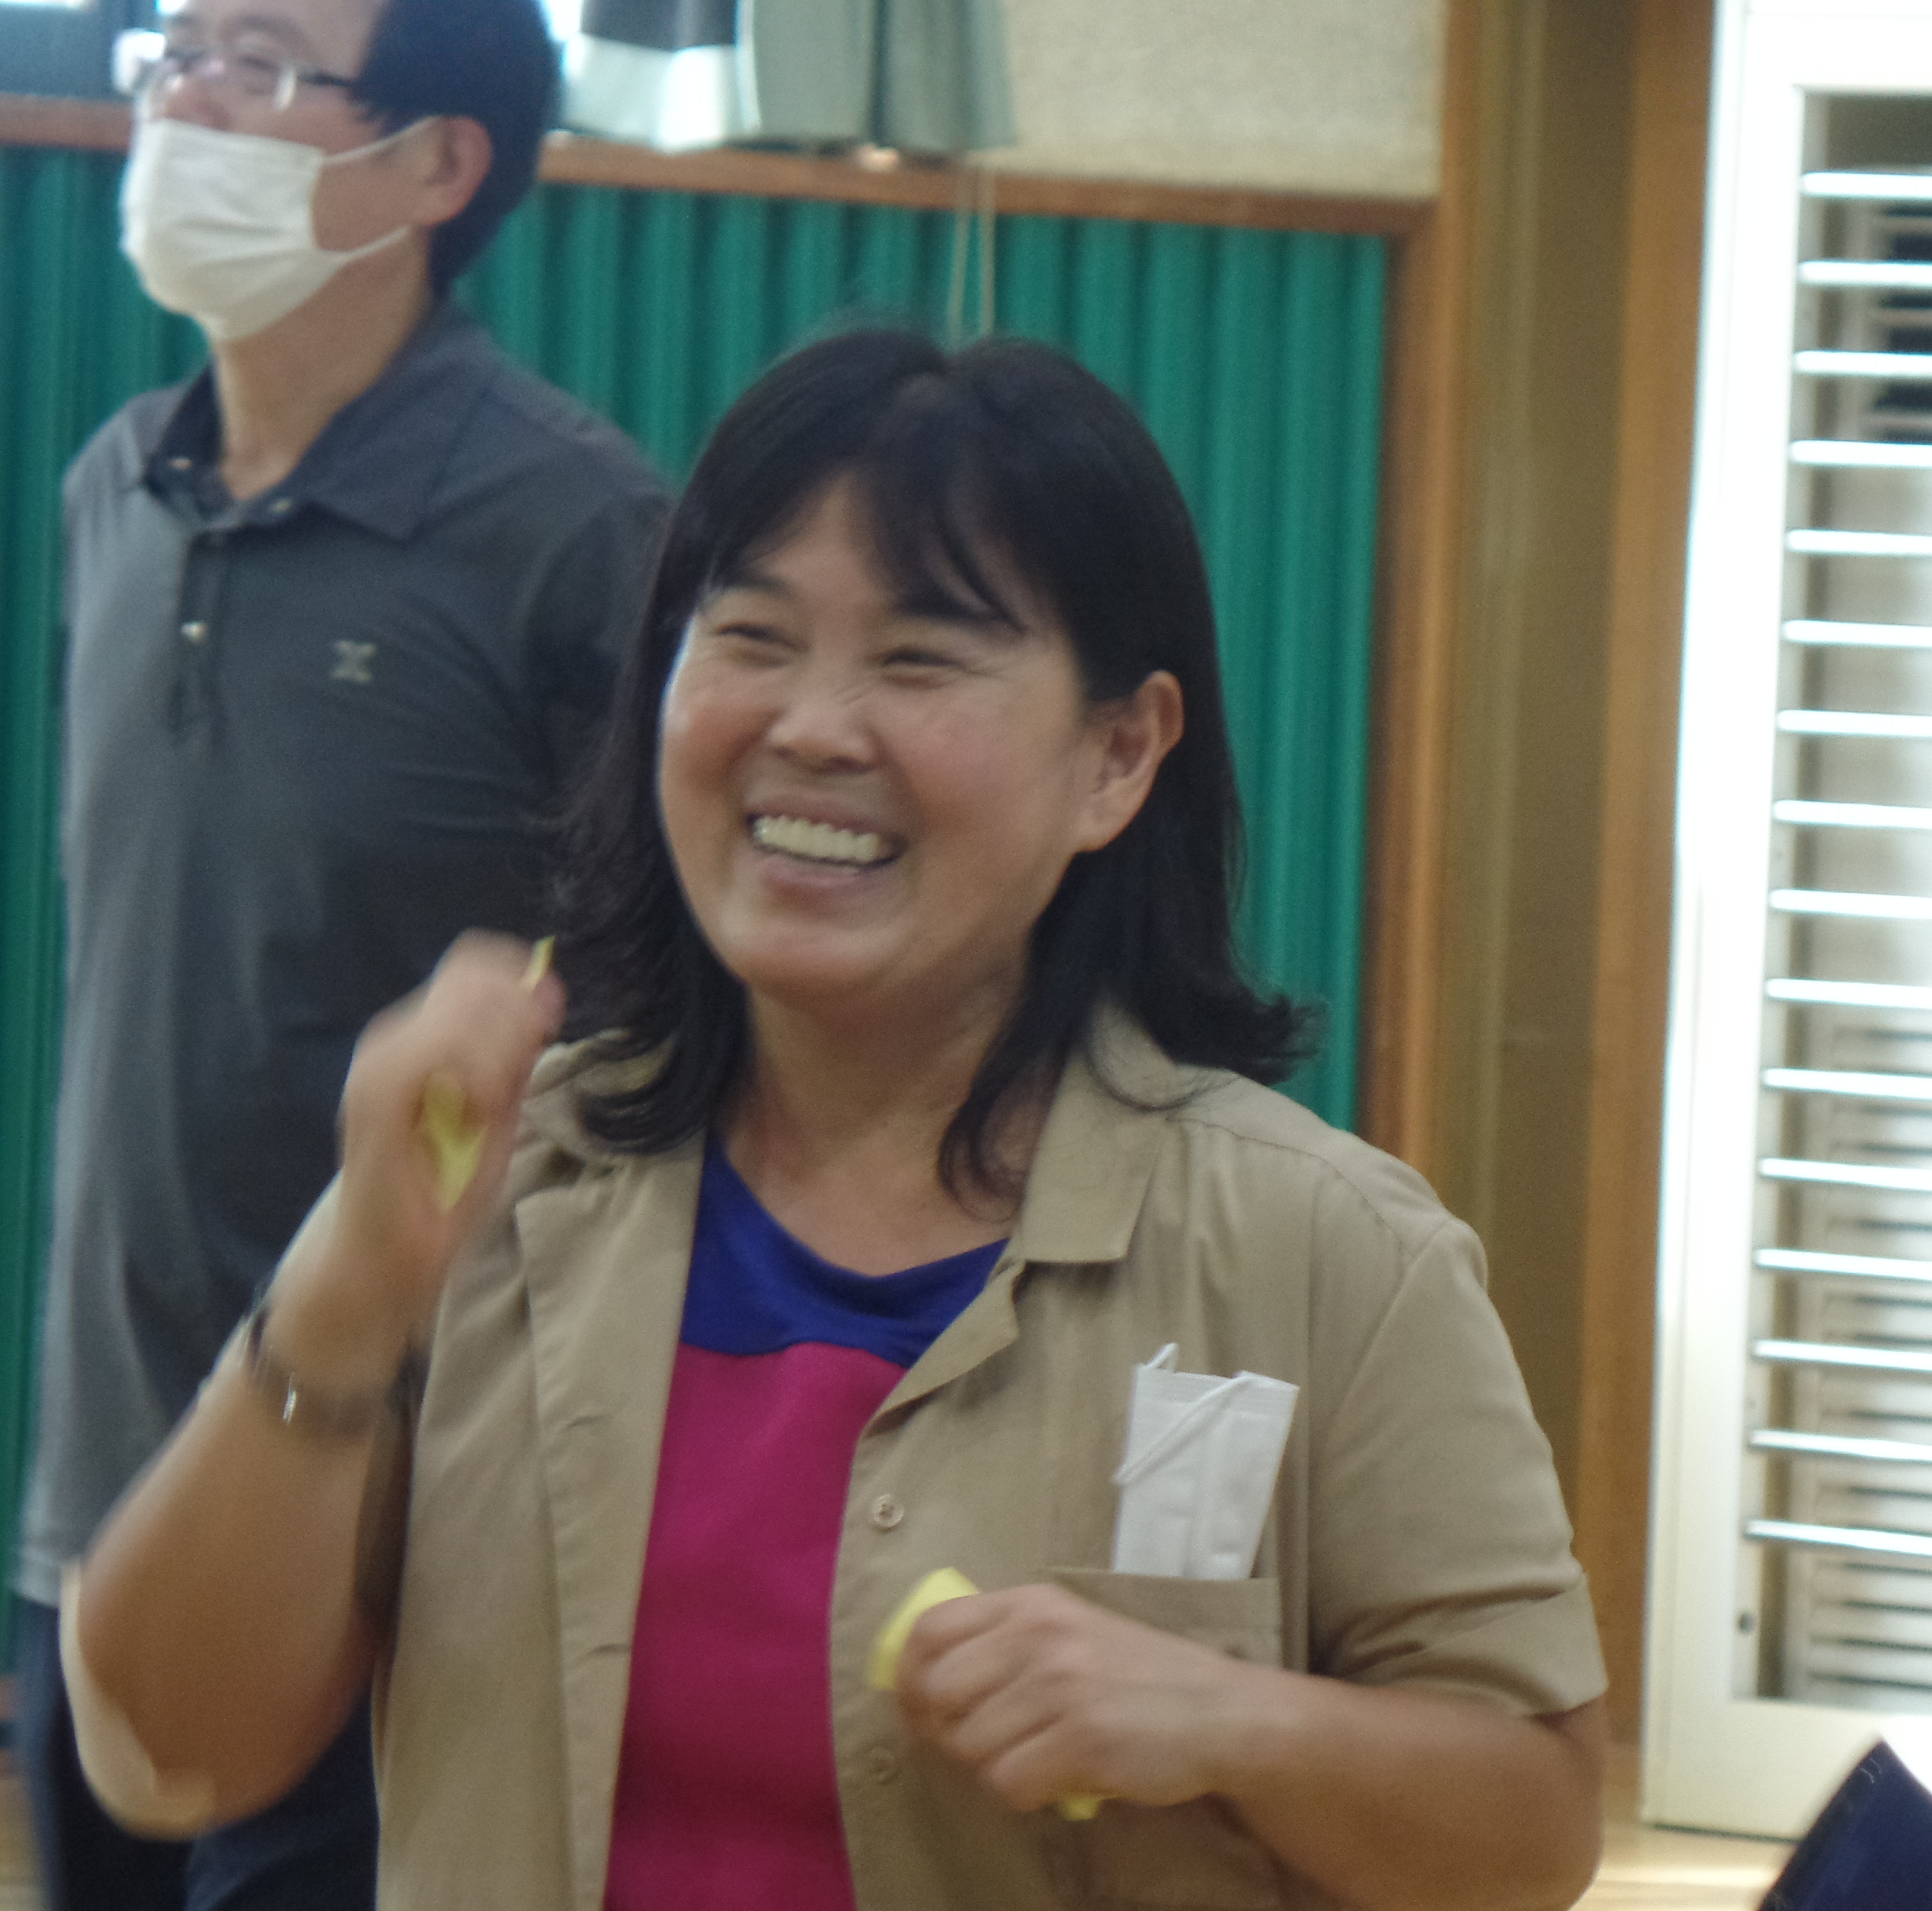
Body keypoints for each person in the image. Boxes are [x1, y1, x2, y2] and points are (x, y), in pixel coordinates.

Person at [58, 330, 1610, 1911]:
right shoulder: (495, 1178)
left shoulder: (1331, 1252)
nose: (811, 725)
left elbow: (1536, 1830)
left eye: (920, 659)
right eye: (749, 637)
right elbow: (164, 1752)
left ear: (1118, 755)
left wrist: (1237, 1723)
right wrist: (345, 1290)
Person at [16, 0, 670, 1903]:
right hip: (100, 1497)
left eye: (258, 57)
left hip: (399, 1540)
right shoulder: (112, 487)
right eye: (173, 52)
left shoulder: (584, 531)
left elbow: (668, 1046)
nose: (183, 97)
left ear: (436, 164)